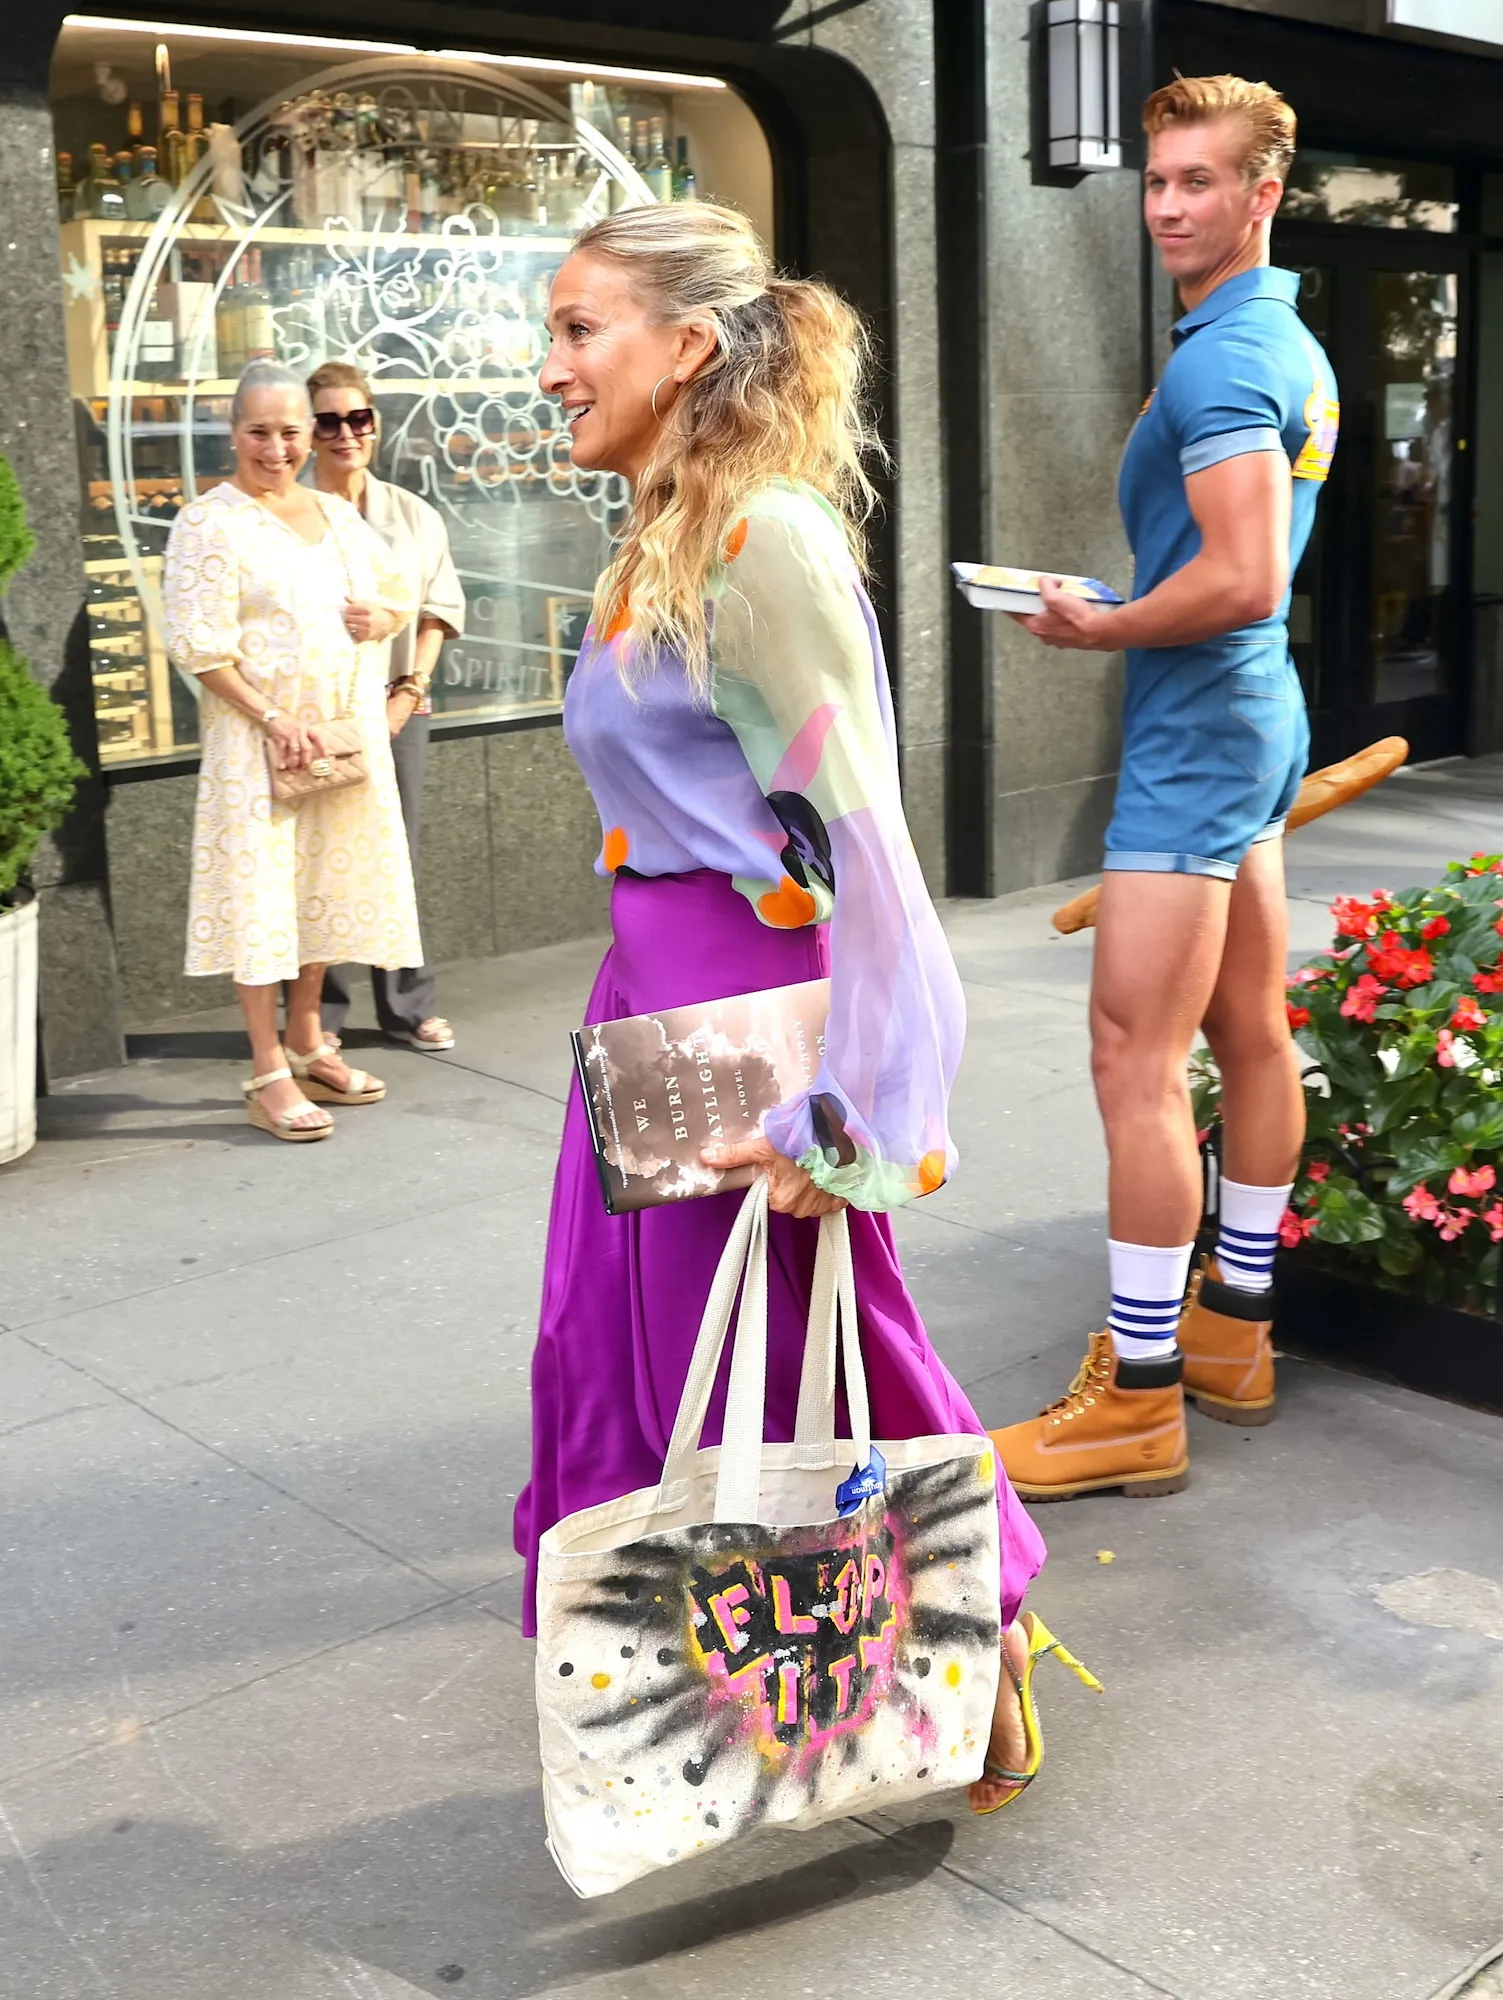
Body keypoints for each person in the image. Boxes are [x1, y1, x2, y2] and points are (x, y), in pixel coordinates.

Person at [514, 200, 1095, 1816]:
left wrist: (855, 1112)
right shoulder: (661, 532)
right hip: (652, 1008)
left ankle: (982, 1634)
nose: (549, 365)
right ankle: (745, 1695)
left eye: (579, 329)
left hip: (748, 1030)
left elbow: (869, 853)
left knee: (810, 1358)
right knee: (635, 1359)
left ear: (686, 345)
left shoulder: (759, 540)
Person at [991, 76, 1339, 1498]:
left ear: (1262, 194)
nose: (1167, 207)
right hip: (1243, 717)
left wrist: (1104, 624)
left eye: (1198, 181)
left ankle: (1136, 1398)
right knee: (1249, 1030)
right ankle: (1231, 1332)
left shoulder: (1222, 360)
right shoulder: (1276, 341)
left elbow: (1243, 577)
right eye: (1155, 181)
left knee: (1131, 1062)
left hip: (1199, 729)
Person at [163, 361, 421, 1142]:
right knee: (262, 898)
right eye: (258, 432)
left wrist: (382, 620)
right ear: (233, 433)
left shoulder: (337, 515)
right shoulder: (208, 523)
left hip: (339, 741)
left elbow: (397, 590)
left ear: (308, 434)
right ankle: (267, 1067)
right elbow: (197, 646)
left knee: (320, 890)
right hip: (257, 748)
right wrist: (272, 716)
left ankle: (308, 1040)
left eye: (289, 432)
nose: (275, 449)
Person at [306, 360, 466, 1053]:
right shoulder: (292, 516)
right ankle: (321, 1015)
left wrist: (409, 692)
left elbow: (438, 612)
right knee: (320, 861)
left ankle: (407, 1006)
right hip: (318, 715)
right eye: (329, 421)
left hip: (400, 708)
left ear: (374, 424)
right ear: (310, 431)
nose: (346, 433)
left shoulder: (411, 514)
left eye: (358, 418)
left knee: (396, 859)